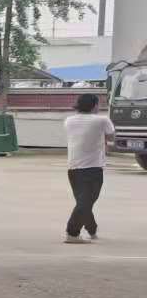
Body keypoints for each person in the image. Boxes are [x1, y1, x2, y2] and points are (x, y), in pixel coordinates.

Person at [62, 93, 115, 244]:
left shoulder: (69, 120)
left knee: (83, 201)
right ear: (94, 105)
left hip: (73, 168)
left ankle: (92, 229)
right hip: (93, 167)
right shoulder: (102, 120)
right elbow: (111, 137)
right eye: (98, 104)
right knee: (86, 202)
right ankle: (72, 233)